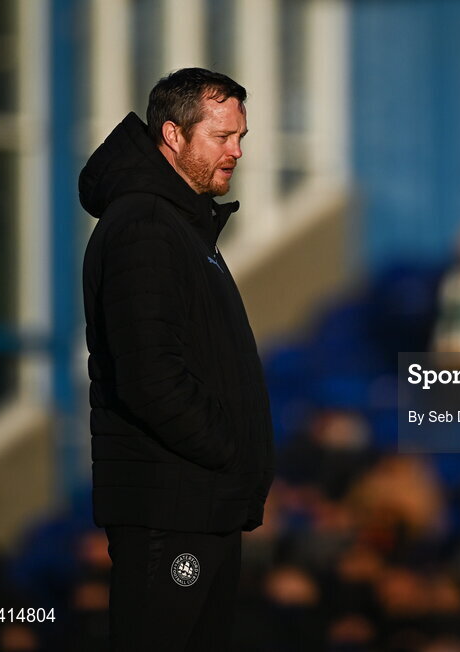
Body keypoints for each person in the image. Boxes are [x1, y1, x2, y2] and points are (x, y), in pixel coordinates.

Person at [78, 68, 275, 651]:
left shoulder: (181, 226)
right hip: (173, 509)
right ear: (173, 134)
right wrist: (226, 449)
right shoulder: (145, 225)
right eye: (222, 137)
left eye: (241, 136)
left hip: (200, 505)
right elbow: (150, 374)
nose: (237, 151)